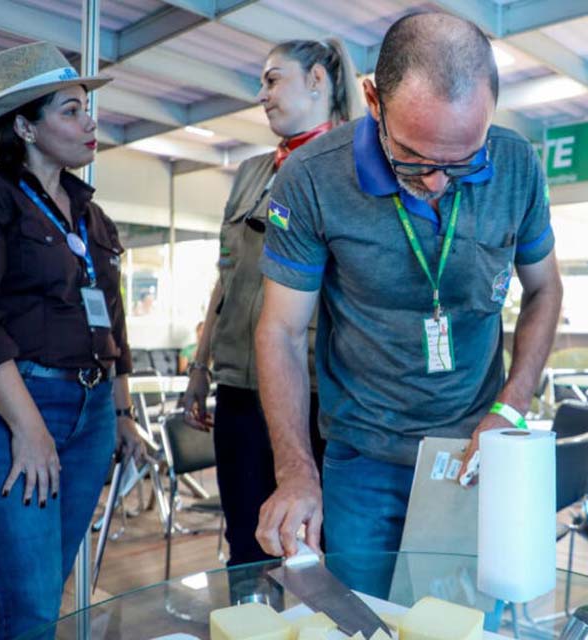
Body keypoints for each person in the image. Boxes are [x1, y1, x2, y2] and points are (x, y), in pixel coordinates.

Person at [253, 12, 562, 587]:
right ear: (372, 100)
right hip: (362, 455)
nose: (441, 180)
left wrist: (511, 405)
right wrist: (296, 472)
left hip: (475, 454)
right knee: (358, 620)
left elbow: (544, 287)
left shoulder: (517, 165)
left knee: (461, 623)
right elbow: (281, 332)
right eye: (416, 157)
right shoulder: (312, 178)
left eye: (464, 158)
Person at [179, 39, 362, 567]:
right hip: (238, 389)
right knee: (244, 545)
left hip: (313, 390)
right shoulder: (252, 173)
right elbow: (226, 277)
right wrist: (200, 367)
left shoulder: (352, 169)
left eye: (272, 79)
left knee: (311, 552)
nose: (261, 94)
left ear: (317, 81)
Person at [0, 42, 141, 637]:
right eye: (70, 110)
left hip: (93, 412)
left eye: (89, 108)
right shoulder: (2, 199)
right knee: (28, 602)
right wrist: (28, 429)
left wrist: (123, 412)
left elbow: (112, 317)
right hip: (27, 404)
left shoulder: (90, 214)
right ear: (26, 126)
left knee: (42, 585)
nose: (90, 122)